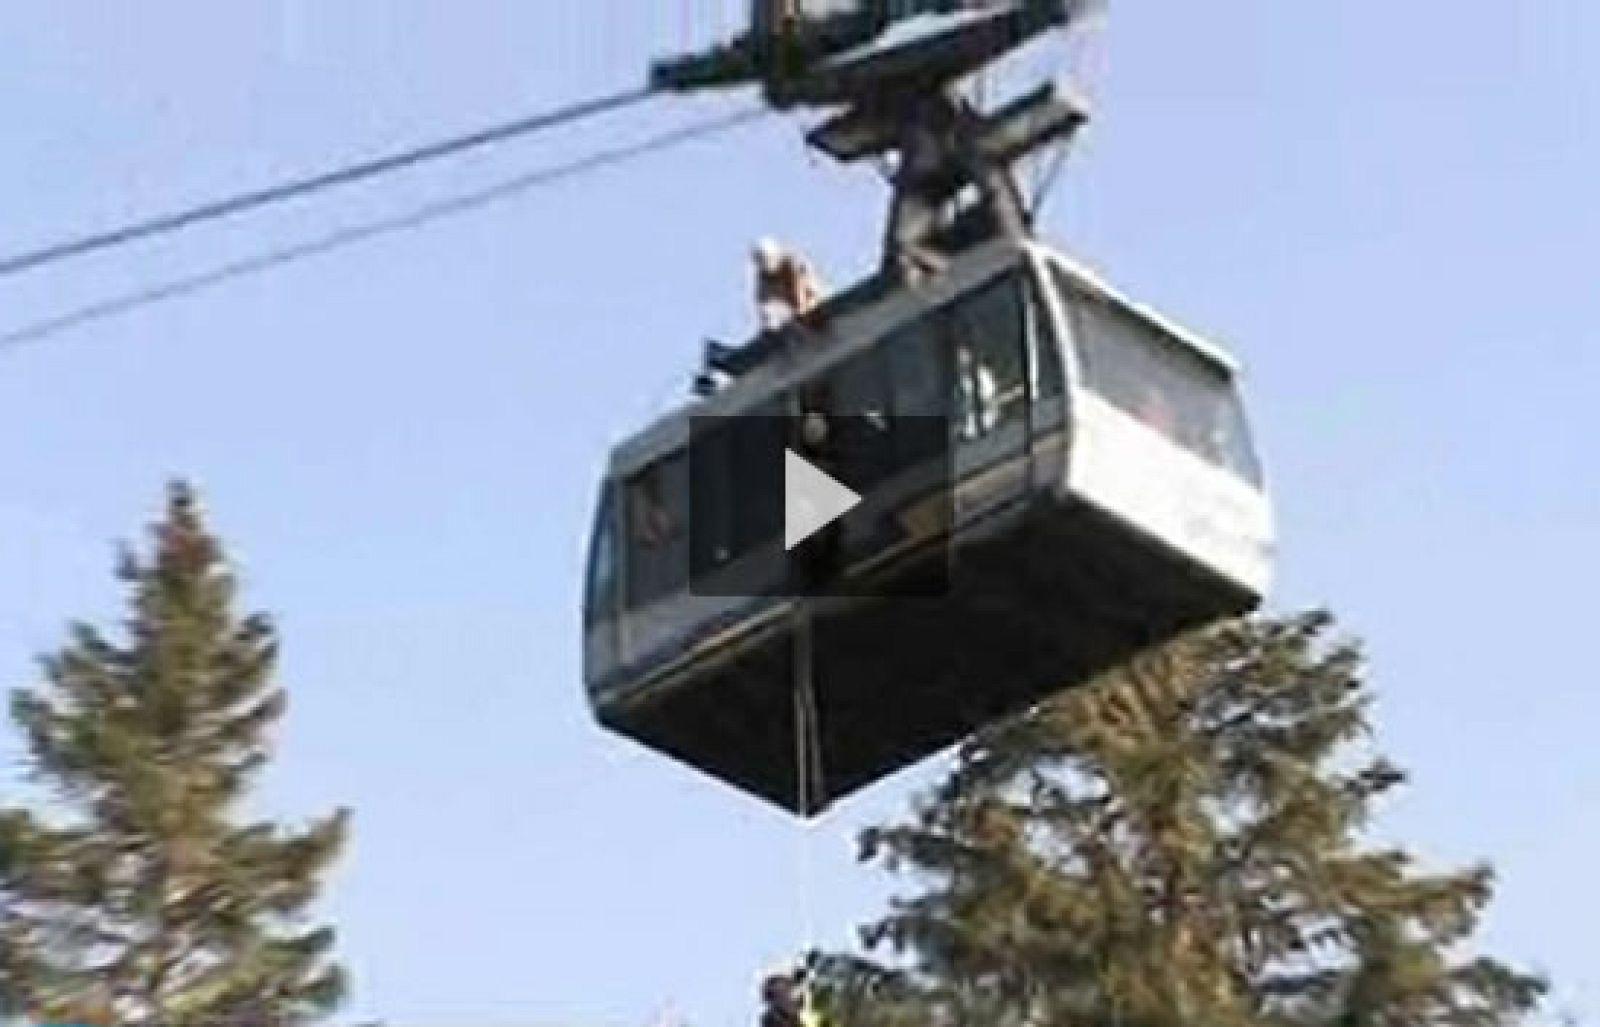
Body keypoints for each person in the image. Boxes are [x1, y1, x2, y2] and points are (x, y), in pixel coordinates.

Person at [753, 237, 826, 331]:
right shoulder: (764, 277)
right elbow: (763, 304)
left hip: (814, 299)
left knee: (810, 303)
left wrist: (806, 304)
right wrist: (769, 324)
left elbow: (804, 282)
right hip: (798, 313)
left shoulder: (791, 260)